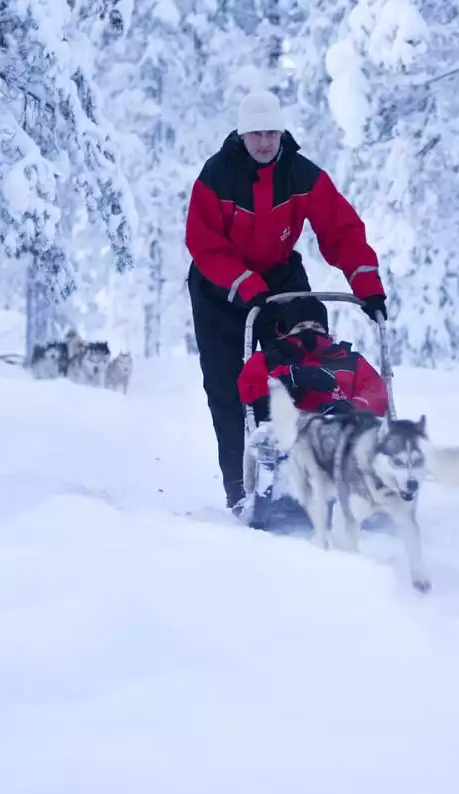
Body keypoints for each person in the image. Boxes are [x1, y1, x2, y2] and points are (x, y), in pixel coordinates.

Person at [185, 88, 390, 509]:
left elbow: (341, 229)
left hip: (279, 276)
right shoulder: (216, 177)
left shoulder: (301, 174)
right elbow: (203, 243)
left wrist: (366, 283)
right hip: (219, 287)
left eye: (271, 134)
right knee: (229, 390)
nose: (264, 142)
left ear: (281, 134)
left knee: (303, 363)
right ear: (242, 136)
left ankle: (315, 466)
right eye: (256, 134)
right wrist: (244, 285)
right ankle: (242, 488)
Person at [237, 295, 388, 417]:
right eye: (300, 327)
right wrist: (289, 378)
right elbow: (250, 393)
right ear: (287, 332)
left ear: (326, 331)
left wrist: (351, 408)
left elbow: (378, 398)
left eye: (316, 326)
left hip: (343, 436)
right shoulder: (269, 358)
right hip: (287, 438)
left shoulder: (350, 361)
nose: (309, 331)